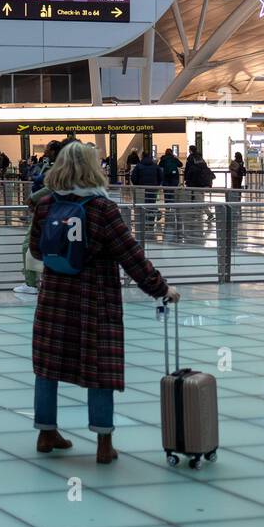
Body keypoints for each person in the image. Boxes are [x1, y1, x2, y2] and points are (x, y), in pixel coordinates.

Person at [29, 141, 180, 464]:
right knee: (100, 367)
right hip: (95, 300)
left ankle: (45, 433)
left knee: (47, 367)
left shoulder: (45, 206)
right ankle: (103, 442)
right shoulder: (102, 208)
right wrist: (161, 289)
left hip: (54, 298)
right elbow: (131, 256)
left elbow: (37, 251)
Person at [159, 149, 182, 242]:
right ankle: (171, 205)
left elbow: (159, 166)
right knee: (172, 191)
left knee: (166, 192)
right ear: (172, 153)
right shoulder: (174, 158)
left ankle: (167, 206)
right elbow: (181, 165)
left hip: (166, 178)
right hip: (174, 178)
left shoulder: (163, 159)